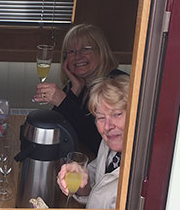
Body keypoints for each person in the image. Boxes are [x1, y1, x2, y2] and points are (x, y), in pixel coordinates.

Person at [33, 24, 125, 153]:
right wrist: (74, 90)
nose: (77, 56)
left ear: (101, 51)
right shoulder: (80, 83)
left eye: (85, 49)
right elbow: (57, 126)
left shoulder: (114, 85)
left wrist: (63, 101)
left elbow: (98, 142)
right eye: (71, 51)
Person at [56, 74, 129, 209]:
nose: (107, 126)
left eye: (117, 114)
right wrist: (80, 177)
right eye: (101, 117)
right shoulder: (109, 146)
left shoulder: (146, 173)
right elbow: (95, 187)